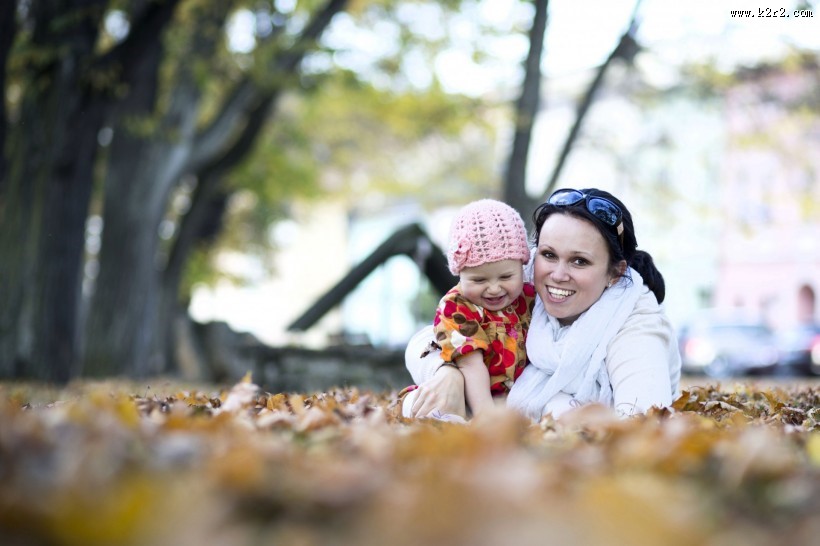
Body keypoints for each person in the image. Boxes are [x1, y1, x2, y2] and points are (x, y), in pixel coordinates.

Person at [404, 188, 681, 420]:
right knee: (421, 404)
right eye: (549, 254)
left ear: (615, 273)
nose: (557, 275)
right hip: (506, 432)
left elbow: (645, 420)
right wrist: (448, 372)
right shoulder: (519, 278)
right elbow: (427, 338)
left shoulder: (635, 320)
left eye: (579, 261)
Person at [401, 199, 536, 419]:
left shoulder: (529, 298)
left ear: (522, 267)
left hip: (514, 399)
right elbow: (470, 365)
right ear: (460, 274)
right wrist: (485, 415)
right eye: (479, 280)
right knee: (437, 412)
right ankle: (412, 408)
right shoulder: (458, 306)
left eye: (506, 277)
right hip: (467, 397)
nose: (494, 289)